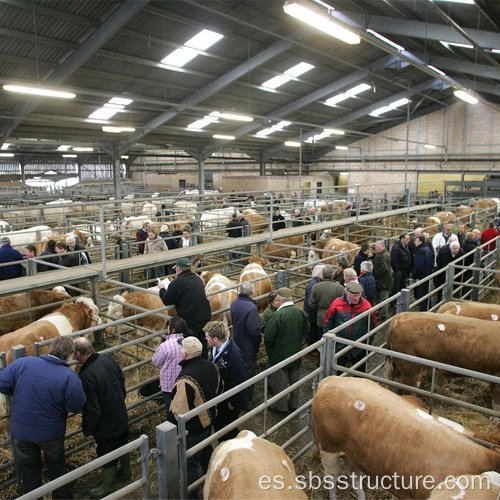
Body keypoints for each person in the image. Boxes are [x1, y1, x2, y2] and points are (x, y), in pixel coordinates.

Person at [0, 336, 86, 498]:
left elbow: (1, 382)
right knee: (57, 469)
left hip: (21, 432)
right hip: (50, 434)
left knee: (30, 472)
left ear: (51, 348)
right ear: (70, 355)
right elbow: (76, 406)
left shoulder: (23, 363)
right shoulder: (69, 377)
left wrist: (15, 391)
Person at [73, 337, 129, 498]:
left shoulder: (86, 375)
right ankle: (126, 471)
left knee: (106, 450)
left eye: (74, 353)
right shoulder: (107, 358)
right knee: (122, 441)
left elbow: (92, 408)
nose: (73, 356)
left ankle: (108, 486)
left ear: (79, 353)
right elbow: (121, 378)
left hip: (105, 422)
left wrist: (88, 428)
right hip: (119, 411)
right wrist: (120, 397)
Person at [168, 337, 222, 494]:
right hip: (210, 419)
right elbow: (219, 387)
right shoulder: (211, 366)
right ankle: (213, 484)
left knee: (189, 463)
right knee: (207, 454)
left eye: (181, 349)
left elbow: (179, 412)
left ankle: (192, 493)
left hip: (193, 430)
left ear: (185, 355)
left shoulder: (185, 380)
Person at [264, 288, 309, 415]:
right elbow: (307, 329)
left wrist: (271, 350)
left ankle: (281, 407)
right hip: (296, 352)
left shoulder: (278, 315)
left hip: (279, 355)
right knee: (295, 379)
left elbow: (268, 337)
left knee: (280, 382)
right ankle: (294, 404)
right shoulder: (300, 311)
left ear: (280, 298)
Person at [158, 258, 211, 356]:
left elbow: (167, 301)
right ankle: (203, 359)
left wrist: (162, 289)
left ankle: (192, 362)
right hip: (205, 315)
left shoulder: (176, 282)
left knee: (190, 343)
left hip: (190, 318)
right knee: (202, 338)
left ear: (178, 269)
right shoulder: (197, 278)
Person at [205, 321, 248, 440]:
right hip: (221, 397)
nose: (205, 338)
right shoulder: (216, 349)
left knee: (225, 429)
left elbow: (241, 381)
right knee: (222, 426)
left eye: (207, 337)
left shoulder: (234, 357)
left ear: (215, 339)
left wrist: (233, 403)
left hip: (228, 401)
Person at [323, 281, 377, 373]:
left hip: (358, 346)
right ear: (347, 293)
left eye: (359, 294)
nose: (357, 297)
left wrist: (366, 342)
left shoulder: (366, 306)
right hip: (340, 346)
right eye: (354, 295)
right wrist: (332, 342)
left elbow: (373, 325)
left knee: (360, 372)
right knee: (338, 372)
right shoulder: (336, 304)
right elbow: (327, 323)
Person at [230, 282, 261, 407]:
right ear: (251, 293)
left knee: (238, 370)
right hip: (248, 345)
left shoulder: (234, 304)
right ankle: (245, 401)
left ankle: (236, 397)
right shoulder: (251, 308)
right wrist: (258, 341)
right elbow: (253, 330)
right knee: (248, 373)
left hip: (237, 340)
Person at [152, 316, 188, 415]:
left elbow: (155, 361)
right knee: (183, 408)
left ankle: (172, 427)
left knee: (170, 410)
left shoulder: (165, 346)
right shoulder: (188, 343)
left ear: (173, 330)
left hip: (169, 385)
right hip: (184, 383)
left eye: (168, 326)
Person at [309, 265, 345, 342]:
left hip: (321, 317)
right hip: (335, 318)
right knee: (334, 338)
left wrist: (319, 310)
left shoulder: (316, 287)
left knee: (321, 339)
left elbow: (311, 304)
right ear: (333, 275)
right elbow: (343, 305)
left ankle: (321, 353)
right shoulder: (340, 288)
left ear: (322, 274)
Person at [303, 265, 325, 345]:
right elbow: (310, 302)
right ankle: (312, 348)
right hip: (312, 313)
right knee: (312, 331)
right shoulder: (314, 285)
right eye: (323, 273)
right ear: (320, 274)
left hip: (312, 312)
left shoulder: (315, 282)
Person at [372, 240, 393, 321]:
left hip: (384, 281)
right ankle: (380, 311)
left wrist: (375, 274)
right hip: (381, 281)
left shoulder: (384, 256)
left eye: (377, 247)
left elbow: (385, 269)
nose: (376, 248)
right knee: (380, 297)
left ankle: (383, 314)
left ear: (382, 246)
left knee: (383, 297)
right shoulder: (381, 254)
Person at [411, 235, 433, 311]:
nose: (414, 242)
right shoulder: (427, 249)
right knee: (426, 292)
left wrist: (414, 276)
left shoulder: (420, 251)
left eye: (416, 240)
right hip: (427, 274)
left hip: (421, 276)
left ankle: (423, 310)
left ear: (420, 241)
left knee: (422, 293)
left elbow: (418, 265)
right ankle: (428, 307)